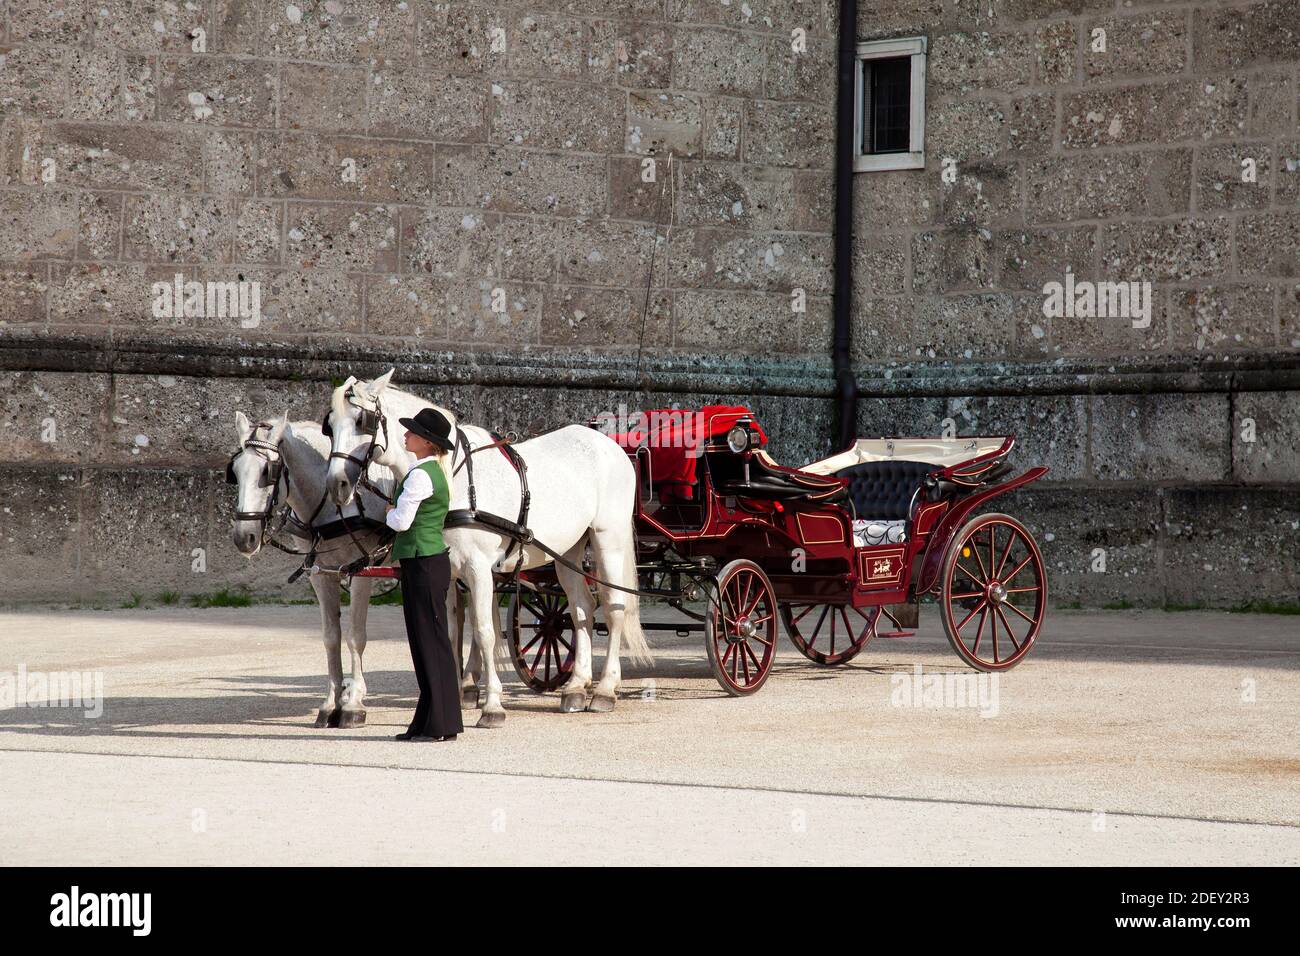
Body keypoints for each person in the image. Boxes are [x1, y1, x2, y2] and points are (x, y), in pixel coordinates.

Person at [385, 407, 463, 742]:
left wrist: (388, 512)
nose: (406, 435)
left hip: (422, 562)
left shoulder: (419, 475)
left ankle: (437, 724)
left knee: (427, 644)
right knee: (433, 643)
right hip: (430, 562)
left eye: (412, 432)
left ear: (428, 443)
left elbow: (402, 523)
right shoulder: (435, 472)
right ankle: (436, 722)